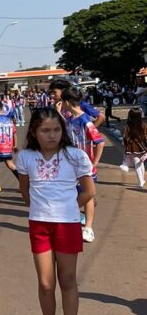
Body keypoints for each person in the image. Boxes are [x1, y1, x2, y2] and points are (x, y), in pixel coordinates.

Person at [15, 108, 94, 315]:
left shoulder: (75, 156)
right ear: (34, 132)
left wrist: (69, 207)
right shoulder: (25, 157)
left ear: (63, 131)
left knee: (67, 281)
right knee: (46, 283)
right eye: (45, 131)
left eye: (56, 130)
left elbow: (88, 191)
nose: (51, 135)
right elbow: (25, 192)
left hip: (68, 225)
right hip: (39, 225)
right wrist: (41, 208)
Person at [61, 87, 105, 243]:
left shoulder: (85, 120)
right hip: (72, 166)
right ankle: (79, 222)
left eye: (62, 103)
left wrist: (94, 163)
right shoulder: (71, 119)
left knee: (87, 197)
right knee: (80, 195)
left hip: (84, 167)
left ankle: (88, 228)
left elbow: (100, 142)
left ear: (66, 102)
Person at [0, 100, 19, 193]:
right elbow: (14, 133)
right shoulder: (9, 120)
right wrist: (15, 145)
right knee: (11, 165)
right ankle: (23, 182)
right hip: (8, 146)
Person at [121, 109, 147, 188]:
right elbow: (146, 137)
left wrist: (125, 145)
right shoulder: (143, 125)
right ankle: (142, 180)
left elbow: (125, 138)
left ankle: (141, 181)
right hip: (143, 146)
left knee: (137, 163)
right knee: (140, 163)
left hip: (132, 146)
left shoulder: (128, 126)